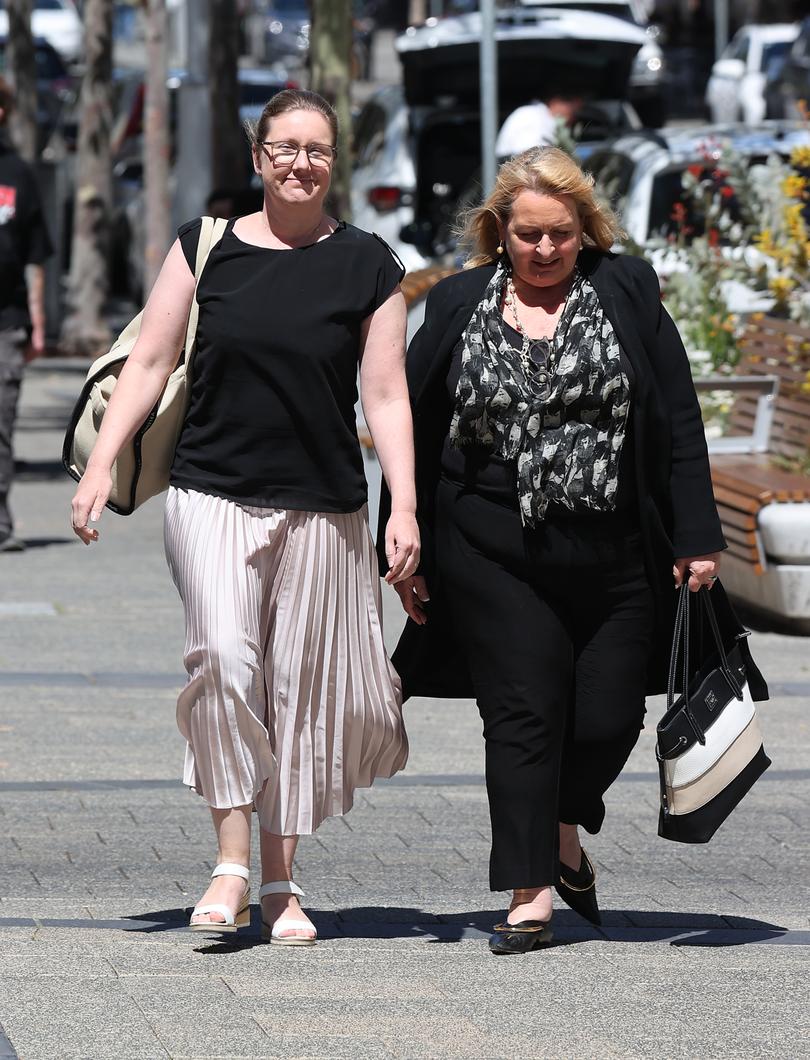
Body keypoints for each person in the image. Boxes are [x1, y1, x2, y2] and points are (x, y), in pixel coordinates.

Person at [70, 89, 419, 944]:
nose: (301, 163)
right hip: (209, 493)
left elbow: (386, 395)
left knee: (299, 694)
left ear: (335, 163)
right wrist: (101, 462)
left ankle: (279, 881)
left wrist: (401, 505)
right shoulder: (206, 247)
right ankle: (230, 862)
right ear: (258, 158)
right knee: (225, 661)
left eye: (318, 150)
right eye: (285, 148)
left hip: (324, 508)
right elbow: (149, 362)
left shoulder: (373, 265)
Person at [379, 146, 726, 955]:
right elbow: (415, 424)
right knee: (523, 714)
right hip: (490, 547)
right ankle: (531, 889)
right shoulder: (461, 302)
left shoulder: (627, 290)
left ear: (584, 230)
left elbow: (675, 414)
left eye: (560, 236)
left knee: (607, 718)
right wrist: (407, 541)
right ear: (498, 231)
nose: (543, 251)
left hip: (616, 550)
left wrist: (697, 535)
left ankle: (564, 829)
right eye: (527, 235)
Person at [0, 77, 53, 553]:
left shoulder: (18, 174)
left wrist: (37, 323)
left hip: (6, 322)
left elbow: (36, 255)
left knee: (1, 423)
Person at [495, 94, 583, 160]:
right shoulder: (539, 116)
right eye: (573, 111)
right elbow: (533, 156)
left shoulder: (534, 112)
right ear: (556, 102)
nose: (573, 118)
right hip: (514, 166)